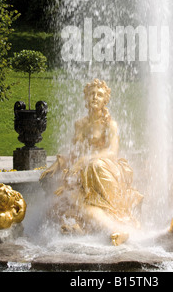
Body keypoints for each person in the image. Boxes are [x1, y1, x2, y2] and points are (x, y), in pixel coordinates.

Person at [40, 78, 143, 246]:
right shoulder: (80, 124)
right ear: (86, 98)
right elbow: (75, 152)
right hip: (84, 168)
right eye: (91, 94)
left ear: (105, 100)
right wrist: (58, 163)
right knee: (71, 195)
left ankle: (106, 225)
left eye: (99, 95)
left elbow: (112, 152)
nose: (95, 97)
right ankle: (110, 228)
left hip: (105, 167)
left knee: (93, 166)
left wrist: (86, 159)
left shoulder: (111, 124)